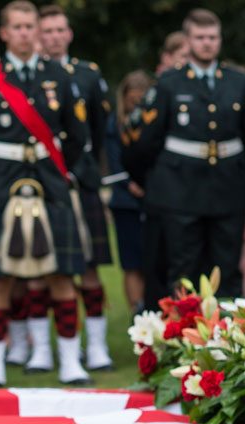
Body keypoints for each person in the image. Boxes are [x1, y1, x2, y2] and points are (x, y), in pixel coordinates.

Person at [0, 0, 91, 386]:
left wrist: (54, 166)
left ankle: (70, 360)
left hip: (50, 181)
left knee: (62, 273)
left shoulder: (57, 74)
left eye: (29, 26)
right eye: (17, 27)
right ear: (4, 32)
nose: (24, 33)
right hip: (2, 182)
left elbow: (77, 135)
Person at [124, 9, 245, 299]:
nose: (207, 43)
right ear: (189, 40)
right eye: (200, 37)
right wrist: (150, 181)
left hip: (227, 190)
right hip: (180, 191)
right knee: (183, 271)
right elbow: (145, 142)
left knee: (227, 269)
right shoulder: (170, 83)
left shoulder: (238, 82)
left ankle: (227, 338)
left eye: (212, 37)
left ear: (220, 40)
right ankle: (183, 339)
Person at [29, 4, 112, 372]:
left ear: (69, 34)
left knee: (89, 266)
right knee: (40, 268)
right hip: (41, 183)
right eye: (46, 31)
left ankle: (95, 347)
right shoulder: (27, 77)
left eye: (60, 30)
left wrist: (81, 170)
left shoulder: (88, 75)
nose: (54, 37)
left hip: (81, 178)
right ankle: (41, 349)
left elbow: (96, 129)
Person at [105, 70, 154, 312]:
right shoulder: (115, 124)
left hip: (152, 199)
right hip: (126, 202)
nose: (135, 105)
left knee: (153, 262)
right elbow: (114, 160)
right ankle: (137, 313)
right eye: (131, 100)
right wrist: (129, 184)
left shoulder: (154, 119)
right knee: (132, 264)